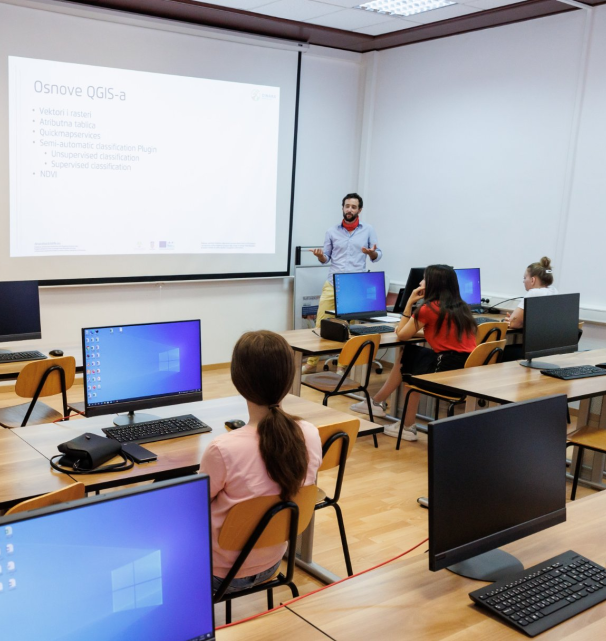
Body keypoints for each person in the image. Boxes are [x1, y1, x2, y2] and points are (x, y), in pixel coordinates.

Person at [201, 331, 322, 593]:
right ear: (289, 378)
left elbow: (193, 508)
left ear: (238, 380)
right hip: (273, 564)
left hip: (219, 575)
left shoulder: (223, 450)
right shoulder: (310, 434)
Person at [352, 265, 477, 442]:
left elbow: (401, 334)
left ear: (433, 284)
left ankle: (405, 426)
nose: (420, 282)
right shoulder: (462, 307)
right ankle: (377, 404)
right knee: (408, 355)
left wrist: (409, 302)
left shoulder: (429, 309)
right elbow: (439, 332)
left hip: (446, 370)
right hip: (465, 370)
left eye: (424, 279)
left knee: (409, 365)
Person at [305, 193, 381, 373]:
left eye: (353, 207)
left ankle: (342, 366)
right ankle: (311, 363)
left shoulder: (368, 230)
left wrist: (371, 253)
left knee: (347, 328)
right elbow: (326, 258)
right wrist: (320, 256)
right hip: (333, 283)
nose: (349, 209)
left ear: (359, 210)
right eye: (347, 206)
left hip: (354, 287)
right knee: (321, 323)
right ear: (343, 208)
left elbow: (377, 256)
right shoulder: (331, 231)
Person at [506, 256, 557, 329]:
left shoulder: (534, 293)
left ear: (533, 280)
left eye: (525, 278)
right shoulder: (553, 290)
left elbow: (513, 323)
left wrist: (513, 321)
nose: (524, 281)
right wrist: (518, 321)